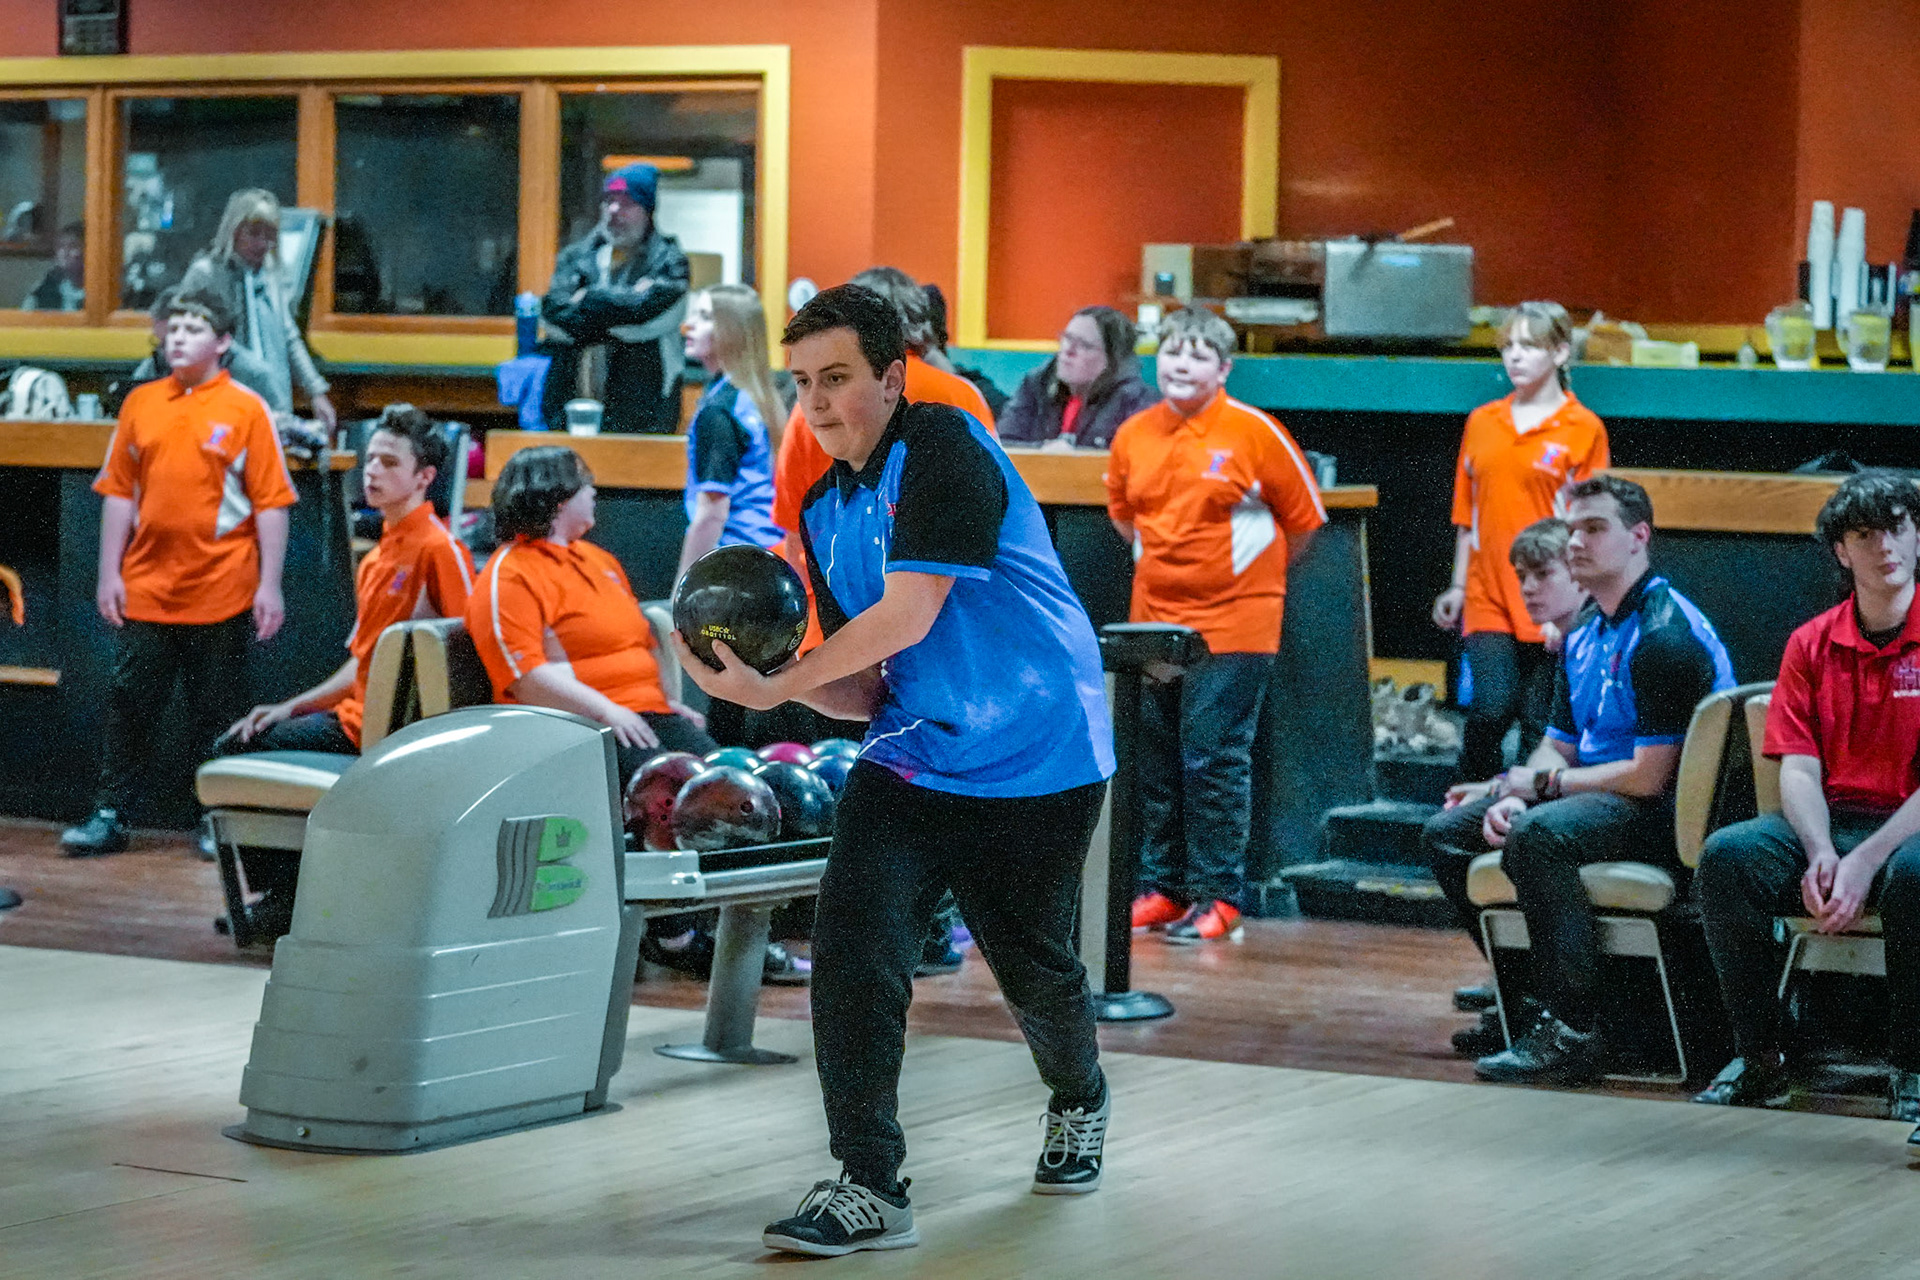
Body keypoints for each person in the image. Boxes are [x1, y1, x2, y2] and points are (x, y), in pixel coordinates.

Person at [671, 284, 1115, 1256]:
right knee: (853, 950)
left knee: (1031, 962)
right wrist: (756, 680)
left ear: (891, 376)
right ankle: (869, 1182)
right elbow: (868, 685)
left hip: (1039, 747)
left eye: (835, 378)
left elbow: (909, 614)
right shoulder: (823, 506)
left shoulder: (945, 447)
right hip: (913, 751)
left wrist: (774, 681)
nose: (816, 403)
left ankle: (1079, 1094)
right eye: (800, 383)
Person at [1420, 475, 1734, 1084]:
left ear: (1638, 537)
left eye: (1594, 529)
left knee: (1541, 837)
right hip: (1601, 793)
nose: (1576, 543)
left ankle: (1573, 1031)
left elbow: (1649, 778)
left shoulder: (1664, 635)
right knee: (1448, 833)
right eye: (1572, 530)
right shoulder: (1586, 631)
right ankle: (1523, 1006)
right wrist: (1515, 792)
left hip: (1667, 811)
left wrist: (1540, 795)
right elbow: (1558, 745)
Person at [1693, 471, 1920, 1145]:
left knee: (1913, 876)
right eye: (1865, 534)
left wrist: (1864, 860)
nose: (1885, 546)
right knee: (1728, 857)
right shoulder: (1811, 642)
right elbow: (1797, 765)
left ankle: (1913, 1069)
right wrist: (1821, 852)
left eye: (1899, 527)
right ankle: (1762, 1058)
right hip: (1833, 818)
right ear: (1841, 552)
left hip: (1907, 827)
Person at [1112, 307, 1326, 944]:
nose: (1182, 364)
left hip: (1236, 623)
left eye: (1199, 355)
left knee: (1212, 760)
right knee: (1155, 761)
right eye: (1173, 351)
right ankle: (1162, 889)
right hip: (1152, 622)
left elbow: (1305, 522)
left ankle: (1220, 896)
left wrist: (1246, 582)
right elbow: (1123, 516)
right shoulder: (1133, 433)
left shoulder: (1255, 432)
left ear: (1224, 369)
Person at [61, 287, 296, 856]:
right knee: (129, 705)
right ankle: (110, 814)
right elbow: (119, 493)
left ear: (223, 342)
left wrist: (269, 585)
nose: (179, 338)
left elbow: (271, 503)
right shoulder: (141, 403)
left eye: (194, 329)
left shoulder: (246, 408)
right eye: (174, 328)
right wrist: (109, 573)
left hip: (223, 586)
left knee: (216, 711)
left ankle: (215, 818)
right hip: (147, 587)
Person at [1424, 518, 1591, 1054]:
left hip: (1606, 795)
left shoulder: (1593, 640)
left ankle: (1553, 1008)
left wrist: (1525, 791)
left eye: (1543, 575)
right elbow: (1553, 746)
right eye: (1522, 577)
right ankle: (1517, 989)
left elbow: (1610, 759)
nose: (1528, 589)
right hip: (1564, 785)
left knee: (1529, 835)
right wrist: (1500, 787)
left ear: (1580, 574)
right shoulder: (1568, 644)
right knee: (1446, 830)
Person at [222, 406, 472, 757]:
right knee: (241, 733)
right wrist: (291, 708)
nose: (372, 471)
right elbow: (362, 663)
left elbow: (467, 660)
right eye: (370, 459)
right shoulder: (373, 559)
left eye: (389, 463)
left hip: (390, 734)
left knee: (235, 746)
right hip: (351, 720)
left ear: (424, 477)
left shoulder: (440, 549)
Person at [1432, 302, 1608, 782]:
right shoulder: (1482, 421)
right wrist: (1458, 586)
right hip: (1488, 588)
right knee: (1490, 709)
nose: (1514, 356)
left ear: (1560, 352)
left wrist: (1576, 604)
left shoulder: (1583, 428)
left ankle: (1520, 815)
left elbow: (1589, 523)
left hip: (1551, 593)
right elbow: (1467, 514)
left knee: (1539, 723)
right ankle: (1465, 803)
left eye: (1528, 345)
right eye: (1508, 346)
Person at [540, 163, 690, 435]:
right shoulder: (576, 258)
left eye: (627, 203)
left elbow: (651, 321)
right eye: (608, 201)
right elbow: (553, 318)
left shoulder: (669, 263)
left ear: (647, 211)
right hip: (570, 402)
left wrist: (587, 300)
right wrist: (626, 304)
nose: (613, 210)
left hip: (644, 405)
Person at [177, 190, 337, 433]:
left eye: (269, 235)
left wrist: (316, 391)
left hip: (273, 403)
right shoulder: (206, 274)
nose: (262, 243)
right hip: (221, 405)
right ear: (233, 230)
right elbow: (192, 340)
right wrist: (254, 372)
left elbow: (289, 337)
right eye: (253, 233)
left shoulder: (272, 277)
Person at [675, 284, 784, 580]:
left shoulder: (720, 410)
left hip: (737, 564)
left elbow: (711, 514)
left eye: (704, 317)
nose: (689, 325)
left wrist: (683, 589)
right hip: (769, 555)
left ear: (732, 331)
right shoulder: (759, 395)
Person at [999, 306, 1157, 449]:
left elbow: (1133, 461)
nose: (1068, 350)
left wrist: (1074, 458)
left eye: (1084, 345)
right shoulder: (1038, 384)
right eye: (1067, 338)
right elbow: (1003, 444)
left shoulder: (1135, 402)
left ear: (1112, 360)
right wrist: (1043, 452)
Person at [125, 286, 279, 408]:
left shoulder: (255, 376)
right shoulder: (151, 374)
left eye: (191, 331)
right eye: (172, 332)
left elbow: (281, 426)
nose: (176, 341)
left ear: (221, 342)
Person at [21, 221, 83, 311]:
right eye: (61, 246)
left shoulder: (100, 292)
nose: (64, 252)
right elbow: (26, 314)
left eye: (73, 246)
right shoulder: (44, 288)